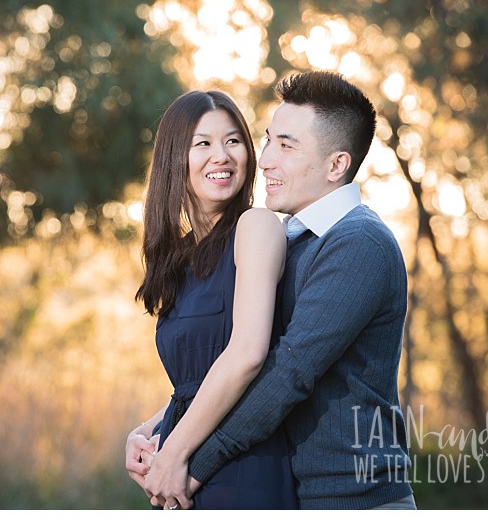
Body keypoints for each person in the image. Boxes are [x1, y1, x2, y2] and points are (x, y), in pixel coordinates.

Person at [137, 70, 416, 510]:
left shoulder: (359, 243)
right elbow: (226, 364)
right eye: (267, 141)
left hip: (355, 499)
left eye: (285, 146)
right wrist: (159, 431)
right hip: (306, 495)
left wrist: (187, 463)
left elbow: (286, 373)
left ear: (336, 165)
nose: (263, 159)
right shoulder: (297, 240)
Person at [125, 89, 298, 509]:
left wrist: (174, 451)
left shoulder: (256, 227)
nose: (221, 155)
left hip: (243, 468)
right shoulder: (178, 260)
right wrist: (147, 431)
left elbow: (247, 355)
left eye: (233, 140)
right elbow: (193, 383)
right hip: (183, 471)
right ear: (174, 159)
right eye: (202, 143)